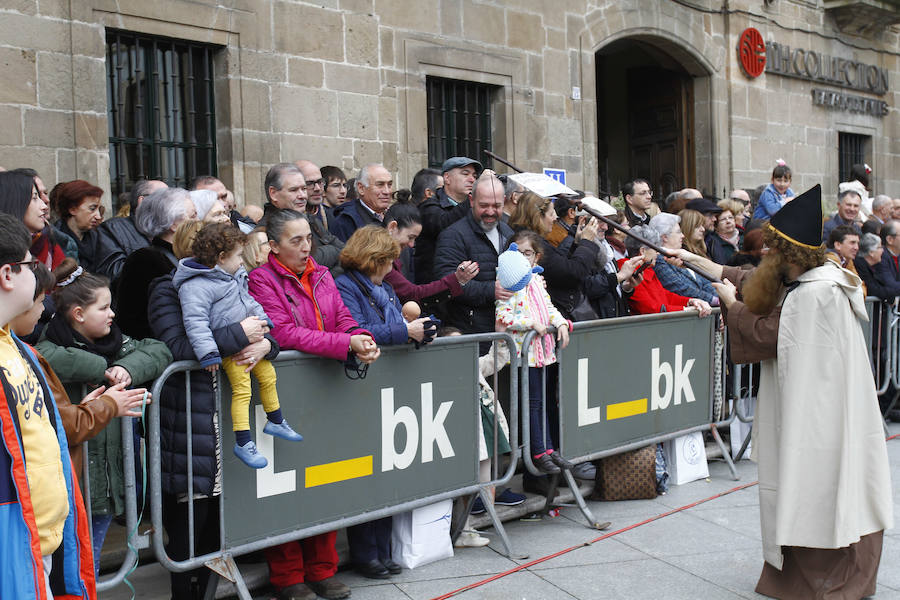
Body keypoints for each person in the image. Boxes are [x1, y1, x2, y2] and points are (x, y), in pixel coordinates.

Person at [676, 184, 893, 599]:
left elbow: (766, 333)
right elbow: (749, 278)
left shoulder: (814, 294)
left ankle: (828, 579)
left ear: (790, 255)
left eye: (773, 249)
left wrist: (730, 304)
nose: (765, 256)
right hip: (826, 408)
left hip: (822, 418)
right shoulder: (815, 276)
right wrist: (693, 261)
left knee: (818, 485)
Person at [249, 209, 378, 600]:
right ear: (273, 246)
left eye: (309, 238)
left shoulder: (322, 274)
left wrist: (360, 337)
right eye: (296, 241)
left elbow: (341, 317)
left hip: (325, 387)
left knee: (327, 476)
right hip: (285, 391)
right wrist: (344, 344)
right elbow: (283, 333)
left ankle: (322, 569)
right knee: (286, 484)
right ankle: (288, 576)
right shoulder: (261, 279)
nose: (307, 247)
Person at [149, 219, 278, 600]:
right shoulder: (166, 290)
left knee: (217, 520)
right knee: (192, 520)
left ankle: (204, 592)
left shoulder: (231, 283)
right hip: (191, 413)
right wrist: (242, 334)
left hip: (222, 410)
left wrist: (264, 343)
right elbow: (177, 347)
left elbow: (264, 325)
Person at [35, 263, 171, 574]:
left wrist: (128, 368)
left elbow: (158, 350)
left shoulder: (116, 342)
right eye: (104, 307)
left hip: (106, 484)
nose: (113, 314)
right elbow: (49, 356)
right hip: (73, 481)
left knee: (89, 562)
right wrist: (102, 368)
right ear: (79, 314)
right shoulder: (50, 349)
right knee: (71, 565)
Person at [0, 213, 97, 599]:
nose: (39, 271)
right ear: (8, 275)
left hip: (41, 541)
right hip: (14, 544)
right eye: (30, 264)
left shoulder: (18, 348)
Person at [174, 223, 301, 469]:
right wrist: (209, 354)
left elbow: (249, 301)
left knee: (268, 376)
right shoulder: (195, 286)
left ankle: (275, 420)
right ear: (221, 258)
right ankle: (243, 441)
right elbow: (196, 323)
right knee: (242, 391)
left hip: (249, 342)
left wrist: (264, 319)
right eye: (239, 256)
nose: (243, 262)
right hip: (231, 351)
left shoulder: (232, 276)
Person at [495, 231, 571, 475]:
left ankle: (549, 448)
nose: (523, 258)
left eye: (528, 253)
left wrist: (560, 323)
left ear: (536, 258)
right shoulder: (508, 280)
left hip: (543, 353)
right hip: (523, 353)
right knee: (532, 403)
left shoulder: (537, 281)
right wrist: (529, 323)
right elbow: (502, 317)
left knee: (545, 402)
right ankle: (537, 450)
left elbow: (548, 308)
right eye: (518, 253)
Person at [433, 173, 514, 333]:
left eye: (496, 206)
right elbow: (444, 284)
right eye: (484, 205)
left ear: (504, 202)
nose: (490, 212)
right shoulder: (453, 235)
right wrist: (491, 290)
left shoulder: (508, 232)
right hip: (470, 331)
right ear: (471, 201)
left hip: (505, 329)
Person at [116, 186, 197, 338]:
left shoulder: (186, 257)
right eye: (193, 216)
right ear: (174, 224)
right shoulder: (145, 260)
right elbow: (133, 319)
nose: (198, 222)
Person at [380, 202, 478, 310]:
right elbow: (412, 294)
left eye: (414, 239)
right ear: (392, 227)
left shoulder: (388, 256)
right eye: (410, 237)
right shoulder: (379, 260)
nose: (411, 244)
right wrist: (456, 280)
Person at [263, 162, 344, 272]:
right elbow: (302, 266)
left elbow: (346, 252)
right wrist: (332, 252)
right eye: (294, 190)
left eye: (304, 189)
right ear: (273, 193)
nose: (302, 196)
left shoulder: (310, 219)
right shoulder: (263, 233)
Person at [415, 157, 482, 283]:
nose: (472, 179)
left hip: (470, 284)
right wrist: (474, 198)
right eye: (465, 174)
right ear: (447, 178)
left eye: (474, 175)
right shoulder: (429, 206)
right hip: (436, 288)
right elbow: (444, 224)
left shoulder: (473, 206)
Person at [619, 225, 711, 316]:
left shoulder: (648, 269)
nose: (658, 253)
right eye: (655, 248)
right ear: (642, 251)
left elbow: (665, 295)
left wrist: (690, 301)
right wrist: (685, 310)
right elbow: (648, 308)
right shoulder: (630, 270)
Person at [98, 178, 166, 281]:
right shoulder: (112, 229)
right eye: (164, 198)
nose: (170, 204)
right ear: (143, 201)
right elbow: (113, 272)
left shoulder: (170, 229)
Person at [649, 212, 719, 305]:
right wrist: (713, 300)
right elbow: (679, 288)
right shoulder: (659, 260)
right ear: (665, 237)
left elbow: (705, 281)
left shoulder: (683, 254)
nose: (683, 235)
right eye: (678, 232)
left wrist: (719, 299)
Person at [330, 163, 394, 242]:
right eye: (380, 185)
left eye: (390, 185)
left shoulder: (394, 215)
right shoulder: (346, 221)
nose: (387, 191)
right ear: (361, 188)